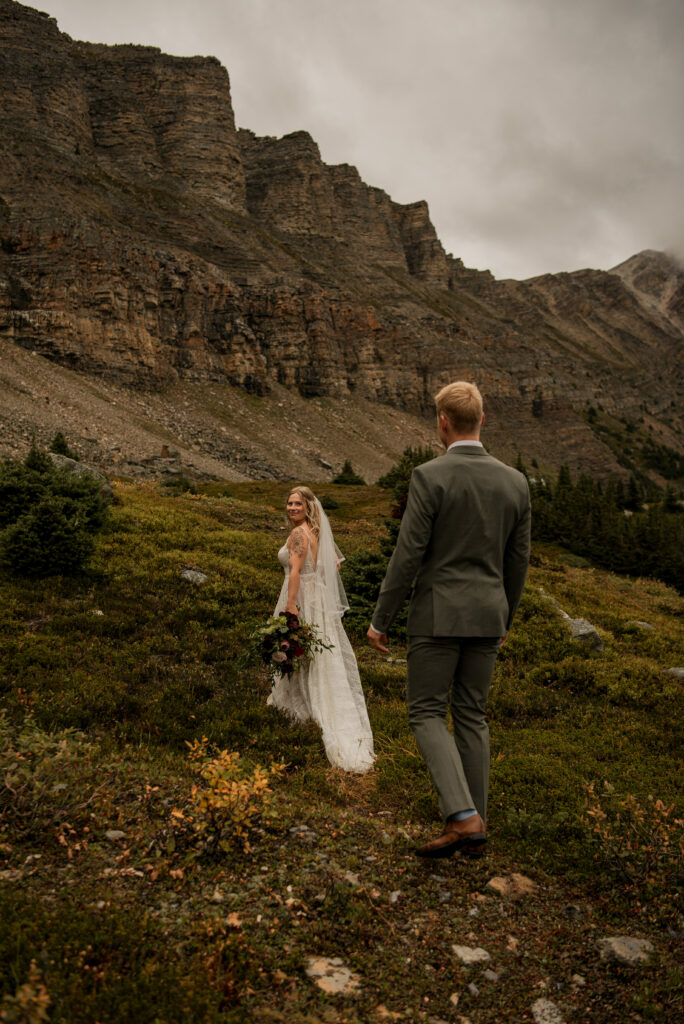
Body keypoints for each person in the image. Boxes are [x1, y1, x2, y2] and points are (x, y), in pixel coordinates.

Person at [367, 382, 530, 857]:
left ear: (442, 423)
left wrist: (382, 619)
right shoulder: (515, 482)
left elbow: (408, 554)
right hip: (488, 616)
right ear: (483, 419)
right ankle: (475, 825)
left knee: (425, 712)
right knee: (473, 716)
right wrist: (505, 620)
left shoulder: (429, 476)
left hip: (437, 616)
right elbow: (517, 562)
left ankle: (461, 817)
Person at [268, 486, 375, 773]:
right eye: (289, 503)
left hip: (301, 598)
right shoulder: (314, 533)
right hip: (316, 599)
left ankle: (300, 712)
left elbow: (294, 571)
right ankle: (310, 709)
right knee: (320, 656)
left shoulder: (299, 534)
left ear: (308, 507)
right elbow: (333, 568)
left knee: (302, 652)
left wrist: (291, 605)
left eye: (297, 504)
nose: (291, 508)